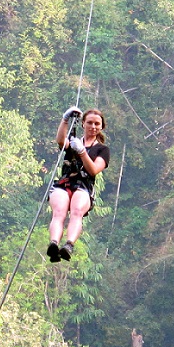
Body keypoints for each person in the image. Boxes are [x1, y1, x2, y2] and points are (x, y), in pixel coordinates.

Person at [47, 106, 109, 262]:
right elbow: (61, 141)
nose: (93, 127)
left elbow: (94, 170)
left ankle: (68, 245)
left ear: (101, 127)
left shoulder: (102, 150)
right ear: (83, 124)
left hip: (83, 186)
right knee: (59, 212)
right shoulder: (73, 142)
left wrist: (81, 152)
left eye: (96, 124)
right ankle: (54, 243)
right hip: (65, 183)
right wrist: (65, 119)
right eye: (89, 123)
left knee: (76, 212)